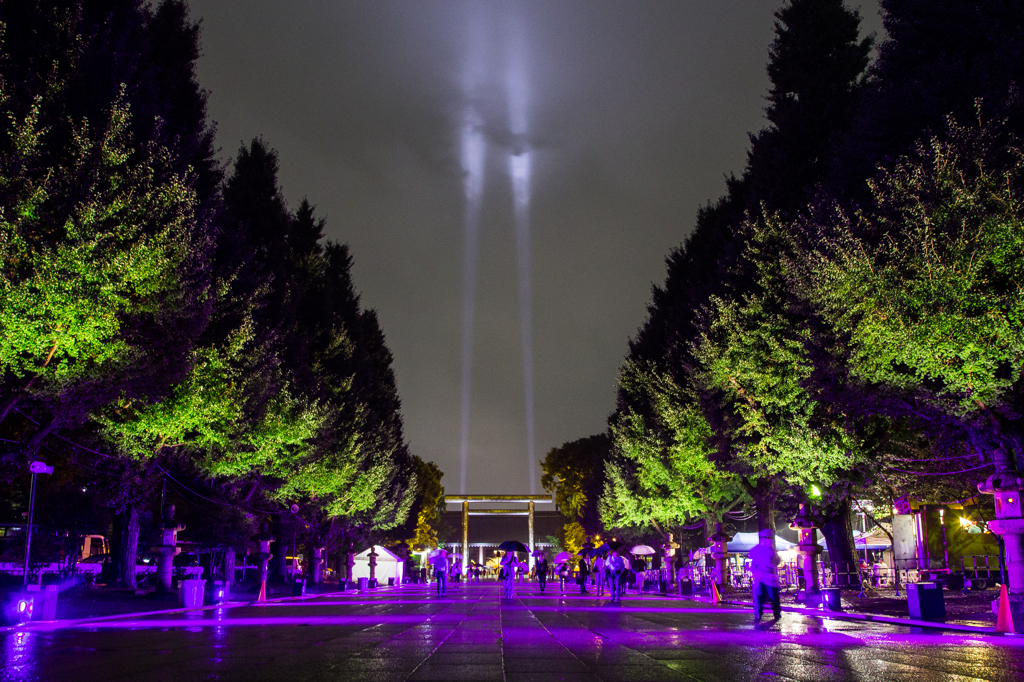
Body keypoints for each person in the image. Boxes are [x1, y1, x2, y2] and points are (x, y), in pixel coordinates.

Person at [749, 528, 782, 622]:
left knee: (760, 597)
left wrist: (755, 572)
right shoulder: (770, 549)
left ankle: (759, 614)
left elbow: (753, 564)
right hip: (768, 577)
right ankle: (775, 613)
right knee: (772, 597)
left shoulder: (756, 549)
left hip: (762, 577)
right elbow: (776, 561)